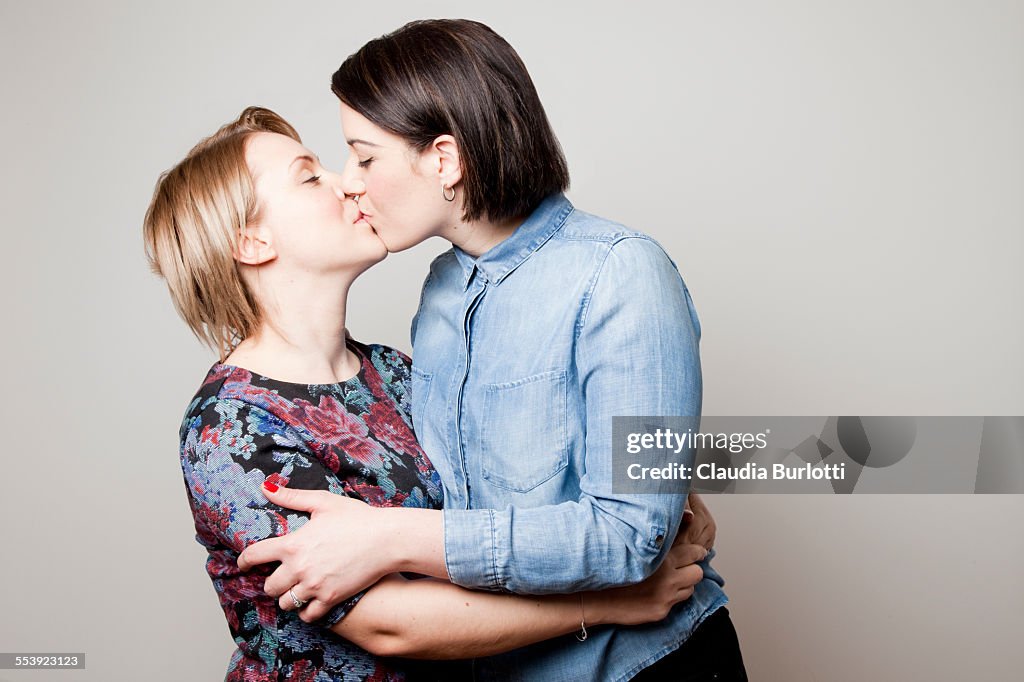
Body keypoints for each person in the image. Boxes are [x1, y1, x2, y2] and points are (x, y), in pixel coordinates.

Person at [239, 19, 747, 681]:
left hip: (645, 666)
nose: (350, 182)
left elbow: (630, 535)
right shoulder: (442, 294)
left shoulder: (620, 273)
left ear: (444, 160)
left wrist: (392, 540)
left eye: (365, 156)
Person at [143, 106, 712, 681]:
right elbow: (387, 623)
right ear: (252, 241)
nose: (349, 183)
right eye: (310, 176)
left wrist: (664, 493)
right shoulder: (232, 427)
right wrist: (606, 603)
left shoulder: (391, 372)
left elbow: (517, 462)